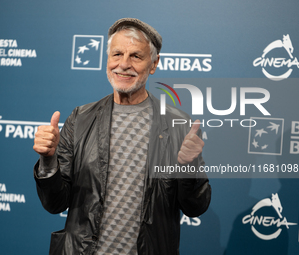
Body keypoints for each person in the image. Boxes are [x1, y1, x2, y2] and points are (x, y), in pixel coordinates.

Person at [33, 18, 211, 255]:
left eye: (136, 56)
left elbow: (195, 206)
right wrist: (48, 161)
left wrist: (189, 168)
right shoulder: (80, 118)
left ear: (154, 63)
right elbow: (55, 203)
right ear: (107, 60)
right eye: (117, 54)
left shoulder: (178, 125)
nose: (124, 64)